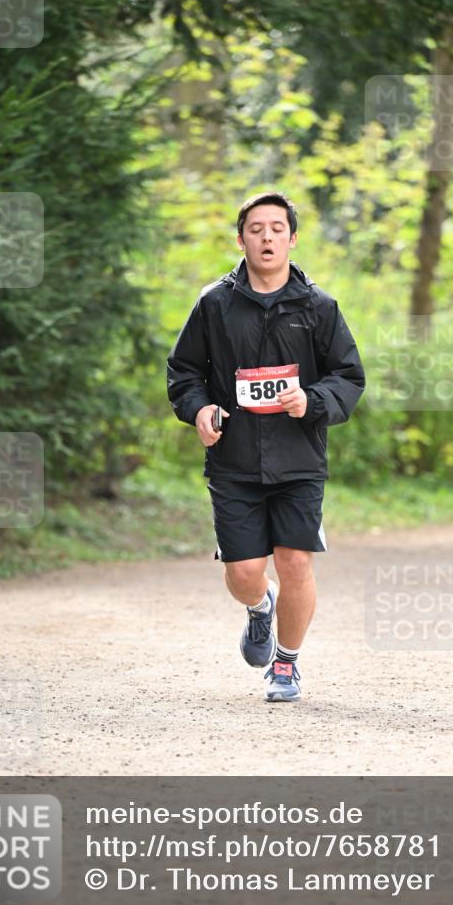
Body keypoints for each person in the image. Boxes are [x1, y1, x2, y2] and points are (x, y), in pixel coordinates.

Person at [167, 190, 365, 702]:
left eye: (277, 228)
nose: (267, 237)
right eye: (256, 229)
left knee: (296, 561)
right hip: (233, 461)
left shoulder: (319, 307)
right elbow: (184, 372)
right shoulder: (214, 304)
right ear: (241, 239)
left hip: (299, 460)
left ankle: (287, 663)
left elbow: (349, 376)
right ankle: (260, 609)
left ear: (293, 239)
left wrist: (313, 401)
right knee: (244, 572)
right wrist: (200, 411)